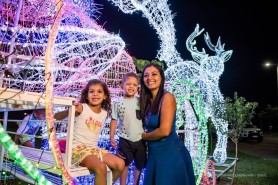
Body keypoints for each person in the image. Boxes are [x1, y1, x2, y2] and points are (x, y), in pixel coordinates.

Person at [54, 79, 124, 185]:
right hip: (77, 150)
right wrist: (71, 109)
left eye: (99, 91)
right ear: (87, 95)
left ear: (105, 96)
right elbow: (55, 117)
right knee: (101, 167)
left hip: (93, 149)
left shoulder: (104, 114)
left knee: (120, 164)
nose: (95, 94)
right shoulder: (81, 108)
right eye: (92, 91)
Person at [139, 63, 196, 185]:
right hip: (154, 154)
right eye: (146, 75)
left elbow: (164, 131)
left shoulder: (167, 97)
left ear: (161, 77)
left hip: (170, 154)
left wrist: (143, 136)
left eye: (154, 74)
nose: (150, 78)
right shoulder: (146, 101)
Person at [110, 72, 146, 185]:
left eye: (135, 85)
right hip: (125, 139)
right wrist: (111, 136)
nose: (131, 87)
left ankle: (136, 183)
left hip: (140, 139)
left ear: (138, 87)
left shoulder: (140, 101)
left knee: (139, 165)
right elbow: (114, 119)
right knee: (124, 164)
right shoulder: (117, 103)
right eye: (128, 84)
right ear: (122, 85)